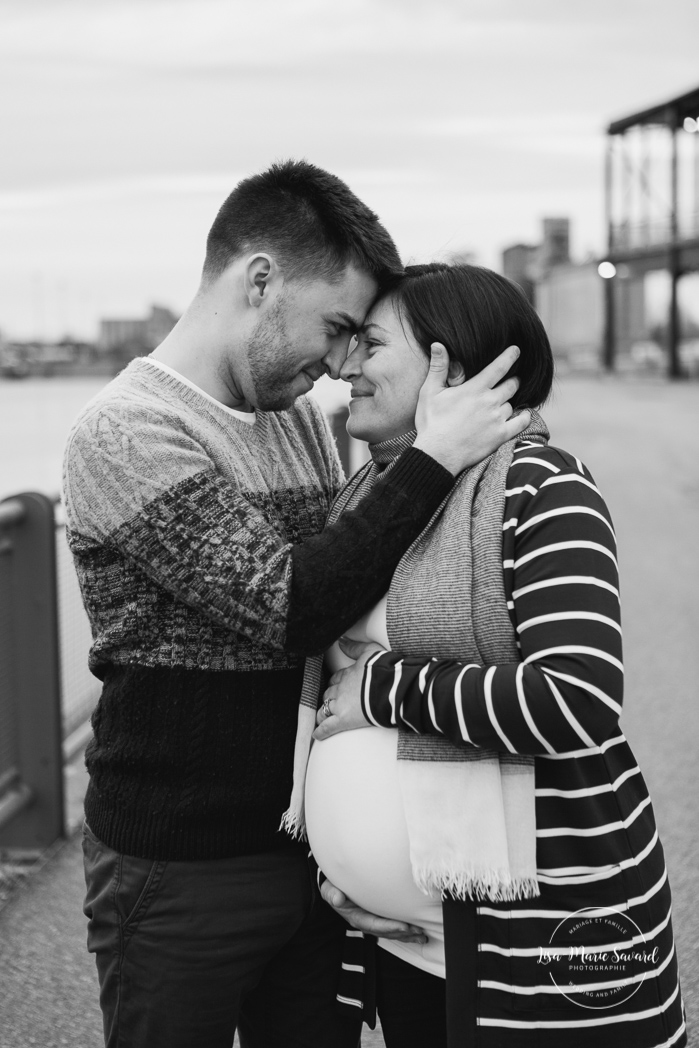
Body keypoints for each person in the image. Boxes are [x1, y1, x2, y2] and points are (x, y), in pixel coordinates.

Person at [62, 163, 529, 1048]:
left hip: (306, 862)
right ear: (260, 279)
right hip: (179, 870)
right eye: (338, 326)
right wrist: (433, 457)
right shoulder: (125, 432)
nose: (341, 360)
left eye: (360, 340)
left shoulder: (305, 420)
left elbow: (375, 583)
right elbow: (288, 607)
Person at [307, 263, 686, 1048]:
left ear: (453, 365)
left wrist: (385, 687)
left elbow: (575, 699)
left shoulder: (544, 490)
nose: (344, 368)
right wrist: (340, 860)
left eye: (370, 345)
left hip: (534, 924)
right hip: (403, 940)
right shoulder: (368, 502)